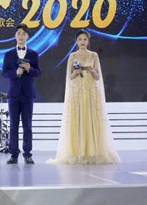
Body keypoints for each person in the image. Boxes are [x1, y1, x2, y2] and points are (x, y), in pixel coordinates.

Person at [49, 30, 120, 165]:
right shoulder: (72, 56)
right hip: (77, 91)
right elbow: (69, 77)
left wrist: (92, 70)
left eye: (85, 39)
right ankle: (78, 151)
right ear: (76, 41)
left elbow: (98, 77)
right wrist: (76, 72)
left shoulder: (94, 55)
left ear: (88, 41)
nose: (82, 42)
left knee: (91, 118)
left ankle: (93, 151)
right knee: (78, 117)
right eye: (80, 39)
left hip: (91, 91)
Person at [2, 24, 41, 164]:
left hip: (28, 94)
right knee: (13, 126)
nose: (21, 36)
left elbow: (38, 73)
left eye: (23, 33)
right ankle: (13, 154)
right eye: (18, 33)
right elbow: (4, 72)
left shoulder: (34, 54)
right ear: (15, 36)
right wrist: (15, 72)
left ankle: (27, 154)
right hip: (13, 94)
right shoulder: (8, 54)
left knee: (27, 126)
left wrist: (30, 69)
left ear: (27, 37)